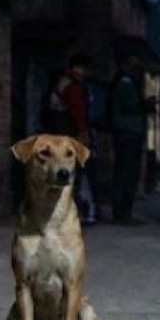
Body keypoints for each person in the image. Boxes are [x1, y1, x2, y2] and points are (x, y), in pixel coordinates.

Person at [46, 54, 97, 224]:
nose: (84, 72)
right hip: (69, 133)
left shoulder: (62, 83)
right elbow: (78, 110)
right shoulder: (72, 86)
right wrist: (83, 132)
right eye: (82, 68)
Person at [110, 55, 154, 225]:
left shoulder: (126, 83)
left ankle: (123, 211)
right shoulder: (126, 83)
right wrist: (146, 104)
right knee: (126, 173)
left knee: (126, 172)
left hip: (129, 131)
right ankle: (122, 211)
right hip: (128, 131)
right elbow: (131, 106)